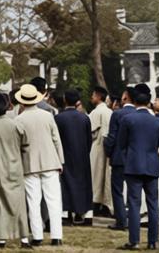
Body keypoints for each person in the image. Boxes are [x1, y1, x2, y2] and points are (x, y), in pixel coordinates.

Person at [16, 83, 65, 246]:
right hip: (50, 161)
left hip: (29, 164)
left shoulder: (19, 120)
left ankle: (37, 236)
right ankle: (56, 236)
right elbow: (56, 139)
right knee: (54, 200)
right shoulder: (47, 115)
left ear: (22, 102)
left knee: (33, 201)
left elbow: (18, 144)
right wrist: (60, 160)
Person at [117, 85, 159, 250]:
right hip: (152, 164)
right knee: (153, 204)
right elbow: (157, 143)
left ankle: (134, 240)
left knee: (134, 204)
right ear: (149, 102)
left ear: (134, 101)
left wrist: (127, 159)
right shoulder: (156, 121)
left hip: (133, 164)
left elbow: (121, 144)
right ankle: (153, 240)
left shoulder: (128, 119)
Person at [0, 92, 30, 249]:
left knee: (0, 204)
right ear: (8, 105)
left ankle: (1, 238)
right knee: (19, 204)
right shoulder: (17, 125)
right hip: (16, 168)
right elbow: (25, 145)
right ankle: (24, 238)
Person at [55, 89, 93, 224]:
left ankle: (66, 214)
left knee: (65, 184)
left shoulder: (59, 118)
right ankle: (82, 212)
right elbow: (90, 139)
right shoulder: (85, 118)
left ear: (65, 99)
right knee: (83, 184)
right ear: (78, 101)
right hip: (82, 155)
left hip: (65, 155)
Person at [104, 87, 137, 231]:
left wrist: (109, 153)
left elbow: (112, 137)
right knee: (132, 191)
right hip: (135, 158)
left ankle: (121, 220)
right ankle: (133, 218)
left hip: (119, 157)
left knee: (117, 190)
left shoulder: (117, 114)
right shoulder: (139, 113)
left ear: (125, 97)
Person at [88, 86, 113, 216]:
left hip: (97, 147)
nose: (91, 97)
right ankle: (106, 204)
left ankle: (95, 204)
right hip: (108, 148)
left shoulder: (95, 113)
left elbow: (90, 132)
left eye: (93, 95)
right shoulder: (110, 112)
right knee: (105, 177)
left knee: (95, 176)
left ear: (98, 97)